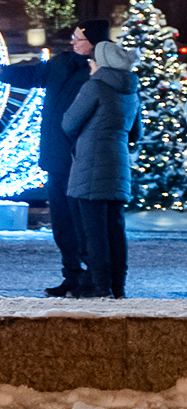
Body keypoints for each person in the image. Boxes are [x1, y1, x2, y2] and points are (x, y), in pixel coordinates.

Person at [0, 27, 96, 295]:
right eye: (73, 37)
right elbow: (34, 75)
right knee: (63, 220)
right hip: (56, 155)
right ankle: (72, 274)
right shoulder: (62, 62)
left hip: (84, 156)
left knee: (85, 220)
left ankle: (94, 276)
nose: (73, 42)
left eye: (80, 38)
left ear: (95, 41)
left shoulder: (101, 70)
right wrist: (1, 72)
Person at [63, 39, 141, 299]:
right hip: (118, 164)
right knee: (115, 228)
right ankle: (118, 286)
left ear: (102, 63)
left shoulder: (94, 86)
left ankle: (99, 285)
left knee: (93, 229)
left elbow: (69, 122)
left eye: (93, 59)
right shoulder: (131, 90)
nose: (90, 64)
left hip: (90, 165)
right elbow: (135, 132)